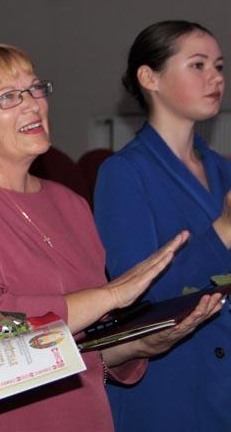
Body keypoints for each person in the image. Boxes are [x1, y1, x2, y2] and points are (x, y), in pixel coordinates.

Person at [0, 43, 222, 431]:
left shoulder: (70, 203)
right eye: (8, 97)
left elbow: (83, 345)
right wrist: (113, 294)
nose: (32, 104)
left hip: (85, 415)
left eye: (36, 89)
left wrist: (141, 344)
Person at [94, 21, 231, 431]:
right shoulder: (123, 173)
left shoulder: (223, 169)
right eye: (198, 65)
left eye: (219, 66)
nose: (215, 78)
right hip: (174, 387)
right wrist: (222, 233)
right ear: (149, 77)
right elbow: (138, 297)